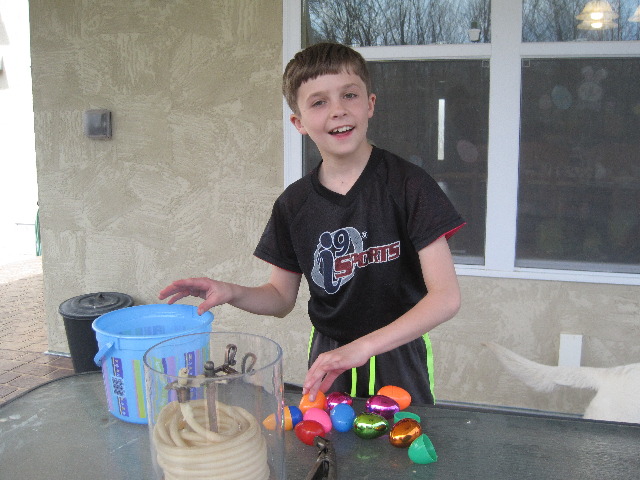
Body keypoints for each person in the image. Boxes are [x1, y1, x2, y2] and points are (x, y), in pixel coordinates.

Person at [159, 43, 465, 404]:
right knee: (327, 437)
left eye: (349, 95)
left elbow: (445, 298)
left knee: (402, 439)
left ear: (369, 104)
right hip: (329, 355)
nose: (338, 110)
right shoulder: (294, 205)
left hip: (398, 351)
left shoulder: (409, 185)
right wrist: (231, 292)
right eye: (319, 102)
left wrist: (363, 347)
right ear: (299, 123)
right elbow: (280, 298)